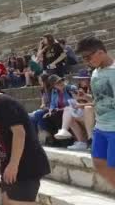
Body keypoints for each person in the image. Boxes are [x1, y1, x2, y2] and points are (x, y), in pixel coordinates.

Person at [76, 36, 115, 188]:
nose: (86, 61)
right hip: (100, 127)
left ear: (100, 52)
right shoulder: (95, 72)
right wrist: (87, 97)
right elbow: (103, 98)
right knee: (98, 162)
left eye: (88, 57)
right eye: (84, 58)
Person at [49, 75, 90, 150]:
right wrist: (51, 109)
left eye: (61, 81)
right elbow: (52, 103)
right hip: (72, 110)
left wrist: (77, 98)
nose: (60, 83)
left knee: (67, 111)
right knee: (57, 115)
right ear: (54, 86)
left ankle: (65, 132)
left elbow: (77, 102)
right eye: (57, 83)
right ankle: (81, 141)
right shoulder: (54, 91)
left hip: (80, 110)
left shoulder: (71, 88)